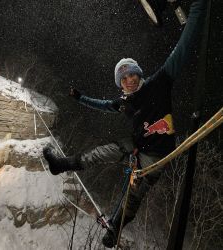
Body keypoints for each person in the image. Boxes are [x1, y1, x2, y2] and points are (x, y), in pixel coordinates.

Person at [43, 0, 207, 248]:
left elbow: (183, 46)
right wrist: (80, 98)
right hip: (135, 146)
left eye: (132, 74)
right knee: (101, 152)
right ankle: (61, 165)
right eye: (124, 78)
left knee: (134, 195)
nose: (129, 80)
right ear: (120, 84)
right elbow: (101, 104)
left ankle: (116, 230)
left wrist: (197, 9)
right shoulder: (123, 102)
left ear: (139, 75)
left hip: (157, 155)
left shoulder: (158, 83)